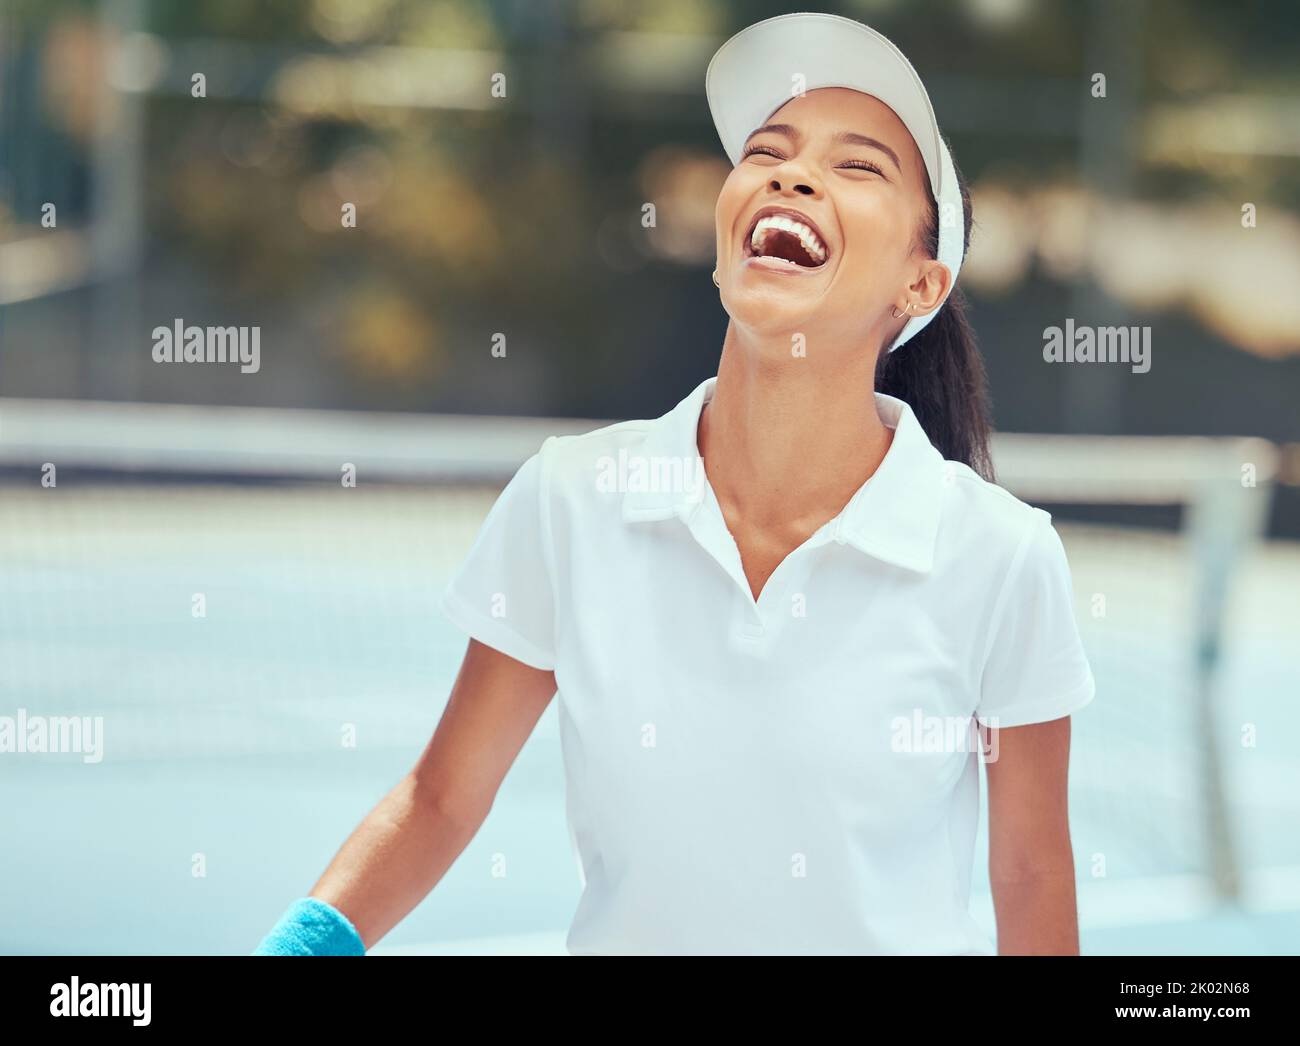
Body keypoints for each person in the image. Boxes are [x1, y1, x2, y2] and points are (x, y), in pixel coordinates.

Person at [255, 12, 1095, 957]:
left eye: (858, 166)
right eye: (768, 151)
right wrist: (297, 949)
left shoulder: (1001, 556)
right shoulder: (569, 499)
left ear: (921, 285)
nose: (791, 172)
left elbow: (1029, 877)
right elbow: (443, 799)